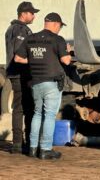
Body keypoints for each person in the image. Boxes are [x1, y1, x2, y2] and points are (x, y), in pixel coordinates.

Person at [14, 12, 71, 160]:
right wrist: (69, 51)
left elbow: (18, 58)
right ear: (55, 24)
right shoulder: (57, 39)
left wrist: (33, 61)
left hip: (35, 83)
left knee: (37, 114)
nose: (59, 29)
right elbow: (66, 61)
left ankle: (33, 148)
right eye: (60, 26)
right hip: (51, 83)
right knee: (50, 116)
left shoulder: (30, 38)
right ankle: (45, 149)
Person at [5, 1, 40, 154]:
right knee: (23, 108)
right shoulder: (20, 30)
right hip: (20, 73)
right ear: (23, 13)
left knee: (22, 108)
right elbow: (20, 53)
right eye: (32, 13)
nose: (34, 16)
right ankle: (20, 143)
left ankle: (20, 142)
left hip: (16, 73)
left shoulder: (12, 28)